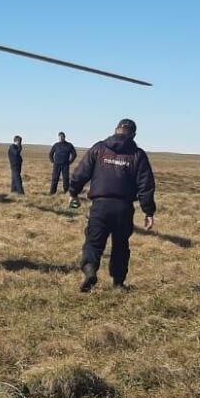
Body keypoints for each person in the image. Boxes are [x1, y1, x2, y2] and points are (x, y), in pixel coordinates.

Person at [69, 119, 157, 292]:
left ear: (116, 130)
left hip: (100, 206)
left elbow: (81, 173)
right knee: (121, 245)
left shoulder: (99, 148)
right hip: (123, 208)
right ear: (133, 135)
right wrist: (148, 212)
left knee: (93, 242)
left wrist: (73, 192)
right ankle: (118, 283)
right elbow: (146, 185)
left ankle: (90, 270)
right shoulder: (138, 155)